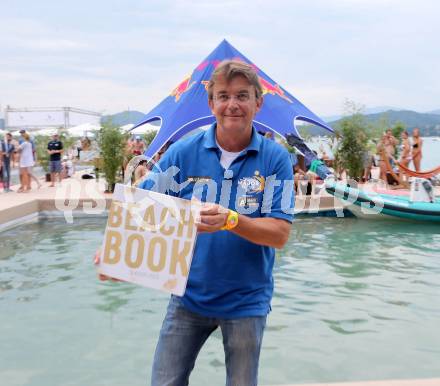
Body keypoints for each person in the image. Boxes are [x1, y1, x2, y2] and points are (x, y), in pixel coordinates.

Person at [96, 60, 294, 385]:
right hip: (188, 296)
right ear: (211, 103)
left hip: (247, 300)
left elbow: (279, 234)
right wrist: (113, 254)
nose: (232, 104)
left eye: (242, 96)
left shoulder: (275, 158)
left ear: (258, 103)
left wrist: (231, 220)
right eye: (223, 95)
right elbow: (140, 208)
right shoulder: (184, 152)